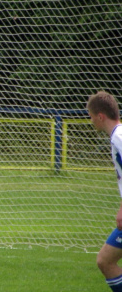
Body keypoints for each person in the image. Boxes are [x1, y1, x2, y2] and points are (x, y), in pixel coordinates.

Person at [87, 91, 122, 292]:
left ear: (100, 116)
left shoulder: (118, 137)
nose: (91, 121)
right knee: (105, 260)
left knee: (105, 261)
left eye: (91, 116)